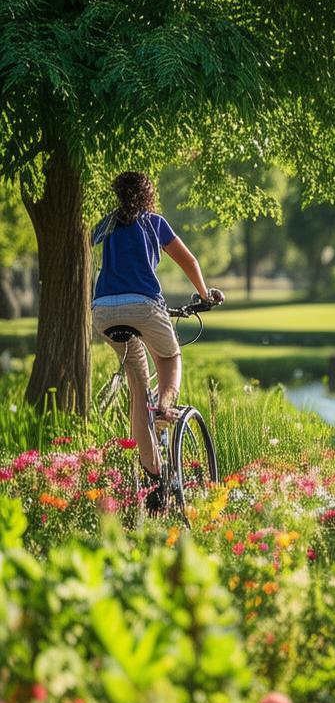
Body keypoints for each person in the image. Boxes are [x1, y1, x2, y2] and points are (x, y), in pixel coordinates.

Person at [91, 171, 224, 490]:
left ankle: (154, 476)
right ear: (148, 195)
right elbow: (189, 261)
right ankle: (165, 407)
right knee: (170, 359)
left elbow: (88, 244)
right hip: (144, 306)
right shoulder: (153, 221)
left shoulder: (106, 224)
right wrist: (205, 296)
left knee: (138, 389)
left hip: (104, 310)